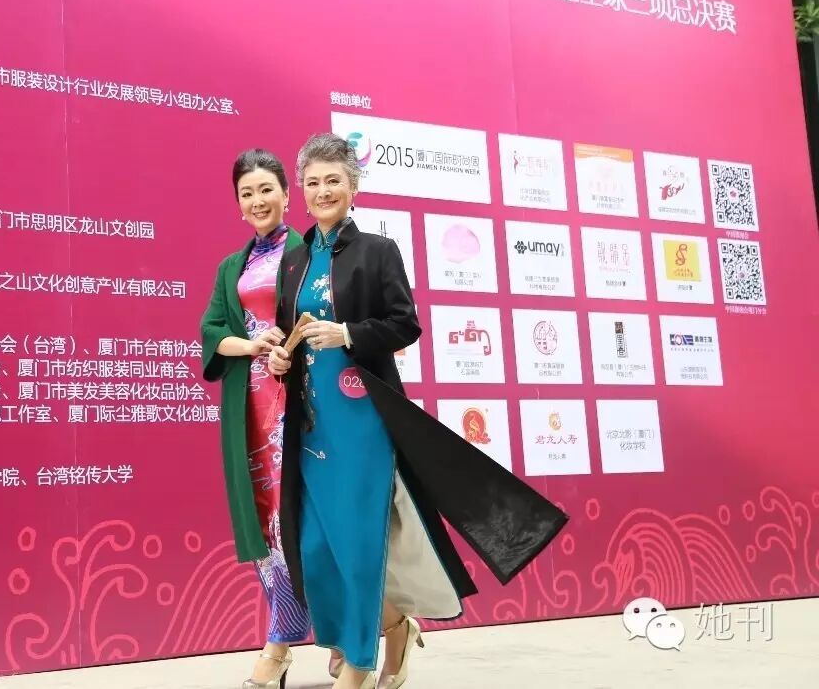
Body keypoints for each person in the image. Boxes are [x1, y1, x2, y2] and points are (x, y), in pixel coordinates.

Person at [268, 133, 568, 689]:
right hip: (309, 425)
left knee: (359, 544)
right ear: (301, 192)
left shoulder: (377, 250)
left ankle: (359, 664)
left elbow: (405, 324)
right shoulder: (293, 261)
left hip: (363, 420)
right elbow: (291, 335)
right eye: (312, 182)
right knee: (316, 546)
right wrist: (280, 357)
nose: (323, 190)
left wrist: (348, 334)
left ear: (353, 186)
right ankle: (392, 628)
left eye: (334, 180)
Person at [201, 149, 321, 689]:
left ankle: (330, 637)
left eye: (266, 189)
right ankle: (288, 635)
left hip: (304, 401)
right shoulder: (232, 267)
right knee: (264, 516)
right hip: (249, 405)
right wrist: (251, 344)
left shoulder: (311, 252)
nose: (257, 201)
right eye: (246, 193)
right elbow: (211, 333)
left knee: (309, 517)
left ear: (287, 195)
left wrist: (286, 347)